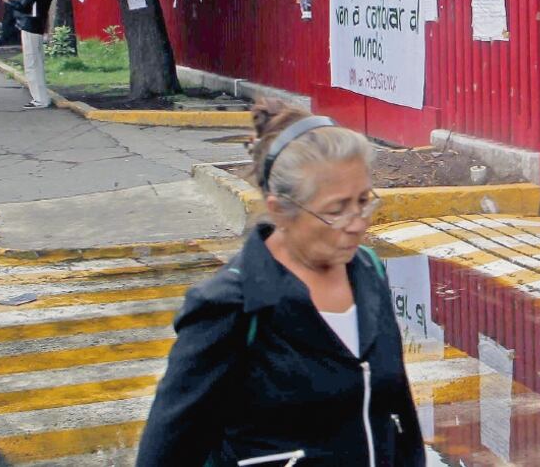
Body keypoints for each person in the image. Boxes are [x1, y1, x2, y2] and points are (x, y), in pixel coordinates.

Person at [136, 100, 425, 467]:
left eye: (364, 201)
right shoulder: (230, 305)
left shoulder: (369, 272)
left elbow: (397, 415)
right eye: (336, 210)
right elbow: (166, 453)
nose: (357, 223)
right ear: (279, 210)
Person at [1, 0, 53, 109]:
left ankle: (39, 99)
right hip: (38, 26)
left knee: (31, 64)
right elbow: (32, 4)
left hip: (30, 26)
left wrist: (8, 1)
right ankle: (42, 97)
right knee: (38, 63)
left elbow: (24, 6)